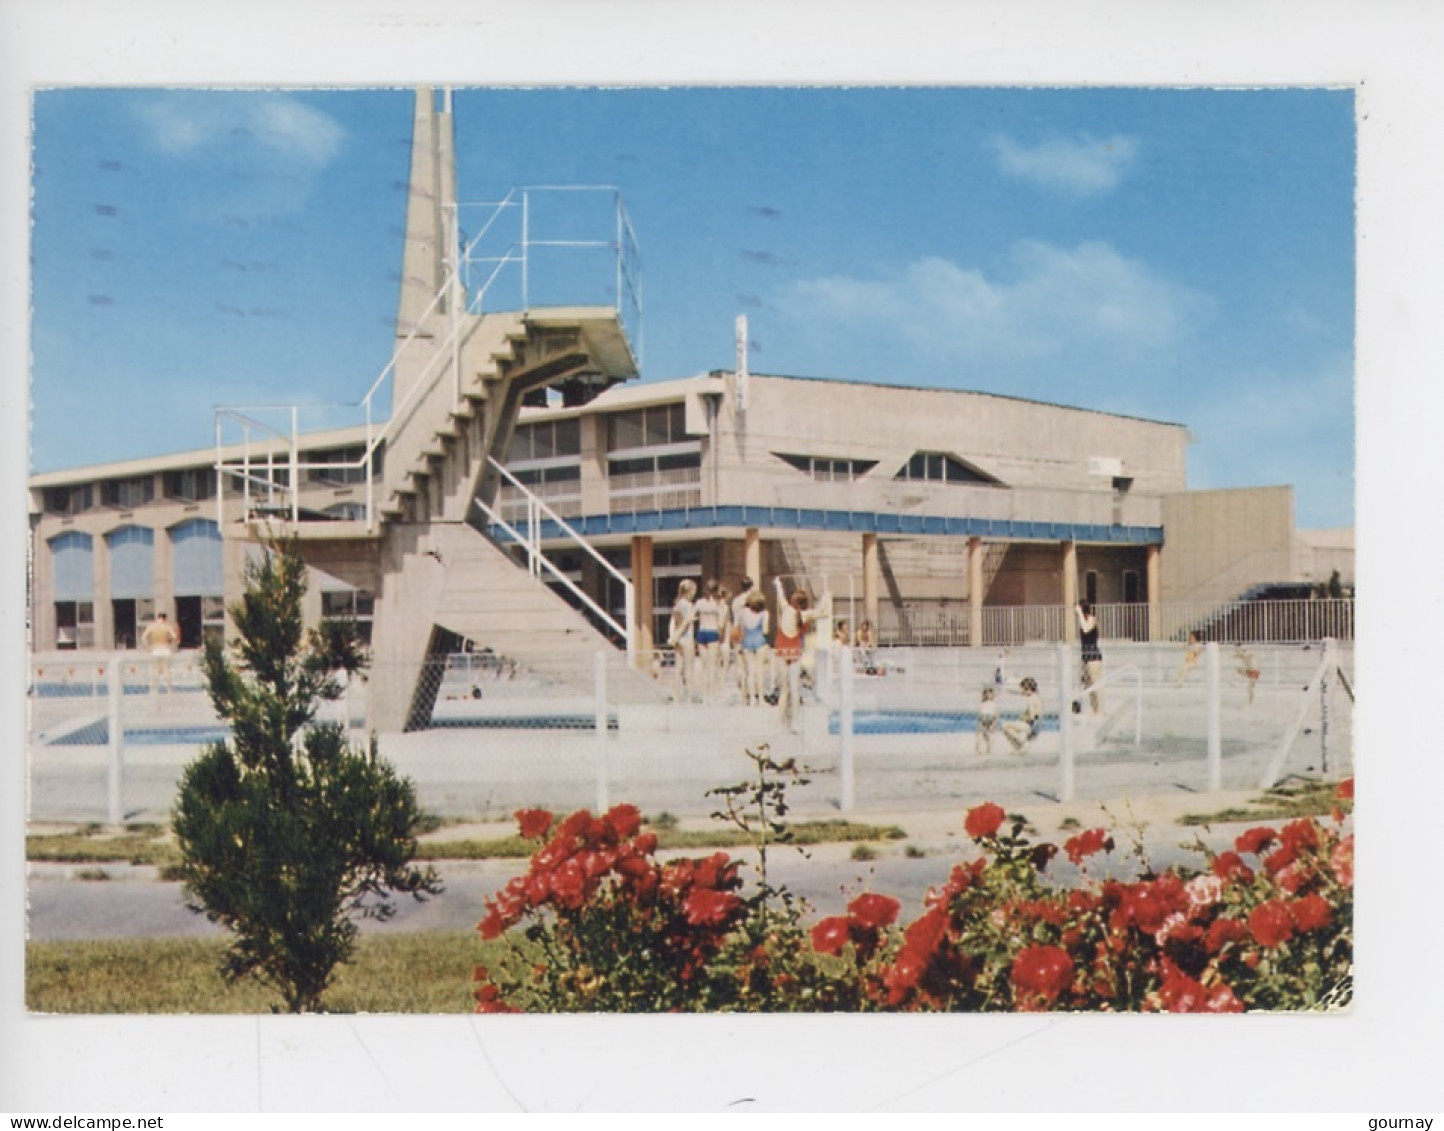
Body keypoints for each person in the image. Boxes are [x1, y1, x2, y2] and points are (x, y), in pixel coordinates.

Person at [772, 578, 810, 730]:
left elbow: (780, 596)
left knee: (784, 690)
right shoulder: (804, 617)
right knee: (795, 689)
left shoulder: (786, 610)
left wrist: (778, 584)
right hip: (795, 652)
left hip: (782, 651)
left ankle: (780, 722)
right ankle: (794, 722)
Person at [736, 589, 771, 706]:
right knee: (760, 671)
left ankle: (751, 699)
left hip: (747, 641)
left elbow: (741, 629)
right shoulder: (764, 614)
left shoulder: (743, 613)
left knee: (750, 671)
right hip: (760, 641)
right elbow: (765, 630)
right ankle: (760, 698)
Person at [694, 580, 726, 701]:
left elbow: (692, 616)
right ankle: (711, 694)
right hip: (712, 632)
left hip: (702, 632)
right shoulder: (718, 605)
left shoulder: (700, 603)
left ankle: (705, 694)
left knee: (704, 665)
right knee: (712, 666)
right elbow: (721, 623)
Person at [668, 579, 699, 702]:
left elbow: (672, 622)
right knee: (688, 668)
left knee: (678, 668)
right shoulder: (689, 606)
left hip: (678, 638)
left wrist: (673, 636)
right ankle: (690, 696)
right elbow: (686, 622)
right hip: (686, 637)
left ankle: (676, 694)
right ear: (690, 592)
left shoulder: (676, 605)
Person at [1075, 600, 1104, 715]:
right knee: (1088, 685)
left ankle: (1100, 709)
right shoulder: (1082, 620)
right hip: (1086, 657)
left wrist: (1080, 614)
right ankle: (1093, 709)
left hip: (1093, 657)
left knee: (1096, 684)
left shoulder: (1091, 619)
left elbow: (1086, 629)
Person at [140, 610, 180, 693]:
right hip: (165, 650)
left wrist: (148, 647)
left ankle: (154, 689)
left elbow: (143, 638)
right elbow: (174, 637)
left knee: (155, 670)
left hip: (155, 650)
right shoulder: (167, 626)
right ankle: (169, 689)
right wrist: (171, 642)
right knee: (166, 670)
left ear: (157, 618)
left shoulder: (151, 626)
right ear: (165, 618)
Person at [1002, 676, 1043, 753]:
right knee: (1010, 729)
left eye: (1023, 689)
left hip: (1030, 725)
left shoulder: (1031, 699)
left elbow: (1032, 716)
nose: (1022, 692)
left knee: (1005, 726)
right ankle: (1020, 747)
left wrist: (1023, 718)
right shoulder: (1036, 697)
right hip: (1035, 725)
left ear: (1027, 689)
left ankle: (1022, 743)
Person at [976, 685, 998, 755]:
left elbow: (996, 714)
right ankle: (979, 749)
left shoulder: (994, 704)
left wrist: (994, 724)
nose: (989, 695)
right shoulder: (982, 703)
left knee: (990, 736)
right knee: (980, 735)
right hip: (982, 720)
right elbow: (980, 713)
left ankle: (989, 749)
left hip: (990, 719)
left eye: (991, 693)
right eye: (987, 693)